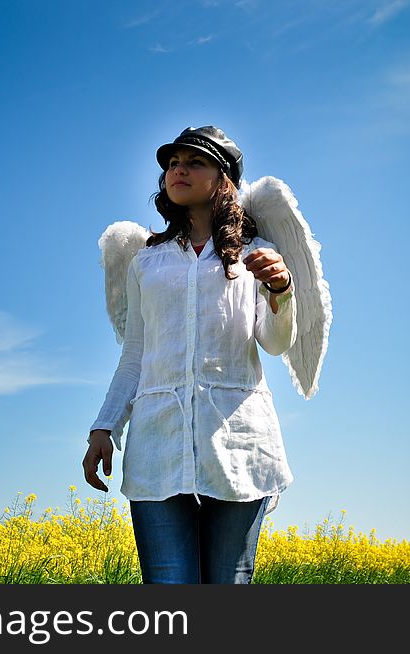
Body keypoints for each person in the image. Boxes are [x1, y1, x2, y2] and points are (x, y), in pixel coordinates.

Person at [82, 126, 298, 584]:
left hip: (239, 444)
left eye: (193, 161)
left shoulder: (257, 254)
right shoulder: (145, 261)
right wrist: (105, 425)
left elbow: (276, 342)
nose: (177, 169)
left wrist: (281, 289)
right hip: (158, 445)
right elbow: (135, 354)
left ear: (225, 179)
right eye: (172, 162)